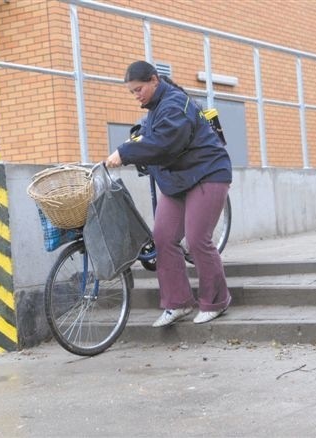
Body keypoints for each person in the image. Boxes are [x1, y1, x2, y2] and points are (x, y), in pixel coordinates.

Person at [106, 60, 232, 327]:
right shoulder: (155, 107)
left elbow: (164, 142)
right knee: (163, 238)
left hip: (208, 173)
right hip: (178, 179)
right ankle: (178, 303)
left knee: (197, 238)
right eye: (132, 92)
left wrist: (125, 152)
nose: (136, 95)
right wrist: (135, 139)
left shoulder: (174, 103)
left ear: (154, 80)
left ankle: (216, 301)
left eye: (139, 89)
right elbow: (151, 134)